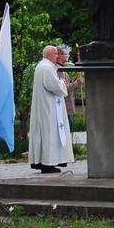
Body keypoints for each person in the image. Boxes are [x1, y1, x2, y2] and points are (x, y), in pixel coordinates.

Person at [28, 46, 70, 174]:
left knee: (46, 134)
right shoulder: (46, 67)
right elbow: (54, 86)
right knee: (49, 134)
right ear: (49, 55)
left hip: (46, 106)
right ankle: (48, 163)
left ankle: (45, 162)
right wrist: (62, 82)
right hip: (48, 108)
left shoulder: (42, 66)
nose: (57, 56)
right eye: (56, 53)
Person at [55, 46, 83, 133]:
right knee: (67, 131)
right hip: (64, 107)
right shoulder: (58, 70)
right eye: (65, 54)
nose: (67, 56)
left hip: (66, 107)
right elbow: (63, 88)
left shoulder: (62, 68)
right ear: (59, 55)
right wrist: (76, 83)